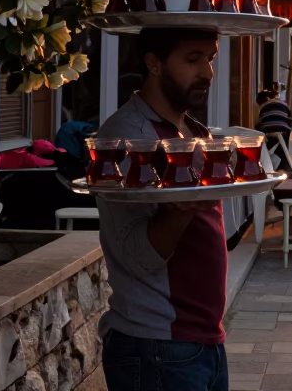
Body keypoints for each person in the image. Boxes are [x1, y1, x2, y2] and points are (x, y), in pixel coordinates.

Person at [96, 28, 229, 391]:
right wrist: (181, 210)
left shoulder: (193, 130)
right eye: (193, 59)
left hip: (201, 341)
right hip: (157, 345)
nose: (208, 72)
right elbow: (137, 257)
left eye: (210, 59)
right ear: (153, 64)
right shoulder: (127, 137)